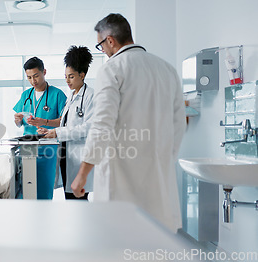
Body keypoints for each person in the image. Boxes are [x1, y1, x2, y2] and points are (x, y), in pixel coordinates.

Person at [71, 14, 186, 233]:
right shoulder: (167, 70)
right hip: (158, 180)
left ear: (110, 40)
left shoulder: (112, 69)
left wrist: (83, 173)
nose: (102, 50)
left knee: (121, 243)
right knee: (156, 245)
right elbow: (179, 124)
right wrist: (164, 159)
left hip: (121, 181)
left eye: (100, 45)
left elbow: (102, 124)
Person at [37, 46, 94, 200]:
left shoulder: (90, 96)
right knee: (71, 200)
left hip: (79, 157)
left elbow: (88, 128)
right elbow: (66, 124)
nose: (67, 81)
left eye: (71, 76)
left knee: (78, 201)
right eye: (66, 76)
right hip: (66, 155)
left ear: (82, 75)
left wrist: (58, 132)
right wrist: (49, 131)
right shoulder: (72, 96)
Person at [13, 57, 67, 199]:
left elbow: (64, 121)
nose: (33, 81)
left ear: (44, 72)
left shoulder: (57, 94)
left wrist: (45, 121)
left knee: (44, 185)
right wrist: (17, 120)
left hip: (48, 145)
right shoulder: (26, 95)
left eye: (36, 76)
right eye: (29, 77)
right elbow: (19, 123)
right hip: (28, 144)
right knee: (25, 185)